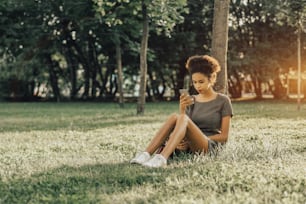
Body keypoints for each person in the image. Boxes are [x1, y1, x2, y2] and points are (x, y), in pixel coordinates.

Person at [130, 55, 233, 167]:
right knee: (175, 116)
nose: (197, 86)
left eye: (201, 82)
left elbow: (224, 137)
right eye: (195, 82)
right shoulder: (192, 100)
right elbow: (184, 126)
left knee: (182, 118)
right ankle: (146, 154)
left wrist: (195, 138)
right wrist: (182, 110)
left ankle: (162, 158)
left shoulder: (223, 101)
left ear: (212, 78)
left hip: (210, 146)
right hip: (191, 147)